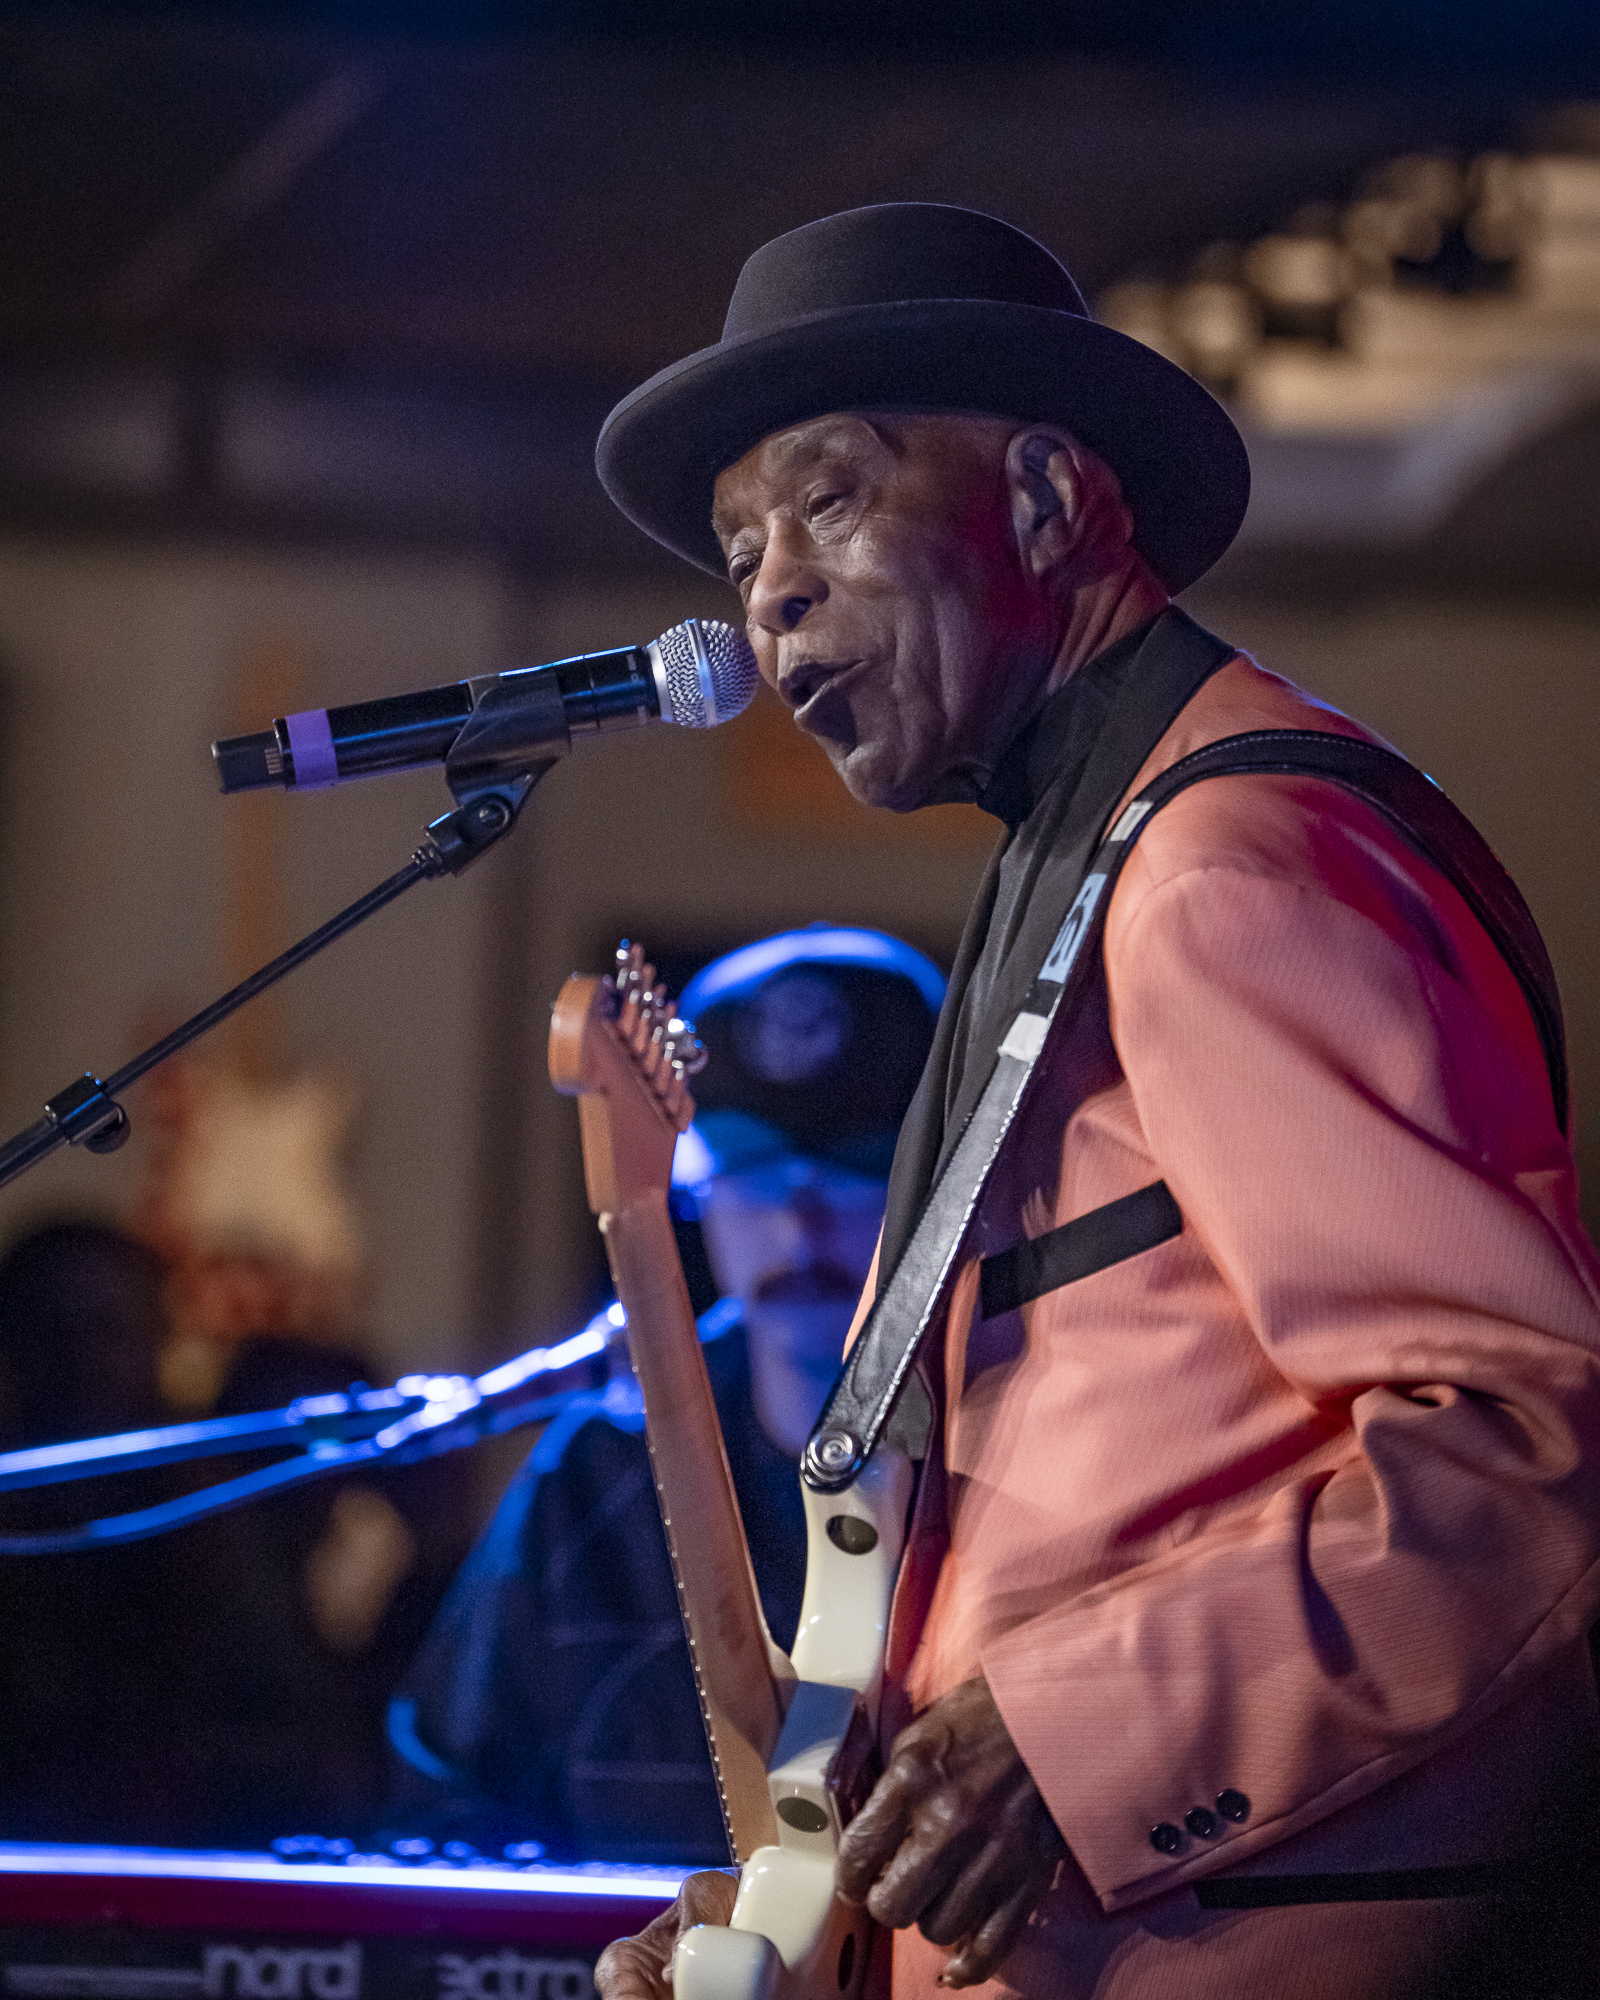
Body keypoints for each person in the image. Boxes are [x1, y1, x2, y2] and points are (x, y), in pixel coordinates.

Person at [586, 204, 1600, 1998]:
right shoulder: (1087, 866)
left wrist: (1075, 1736)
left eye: (829, 501)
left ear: (1049, 502)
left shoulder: (1230, 865)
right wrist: (829, 1922)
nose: (768, 594)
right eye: (741, 548)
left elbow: (1521, 1452)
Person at [388, 925, 944, 1863]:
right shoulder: (600, 1465)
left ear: (939, 1181)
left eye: (855, 1168)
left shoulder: (1032, 1440)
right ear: (694, 1186)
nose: (796, 1221)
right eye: (754, 1170)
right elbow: (450, 1803)